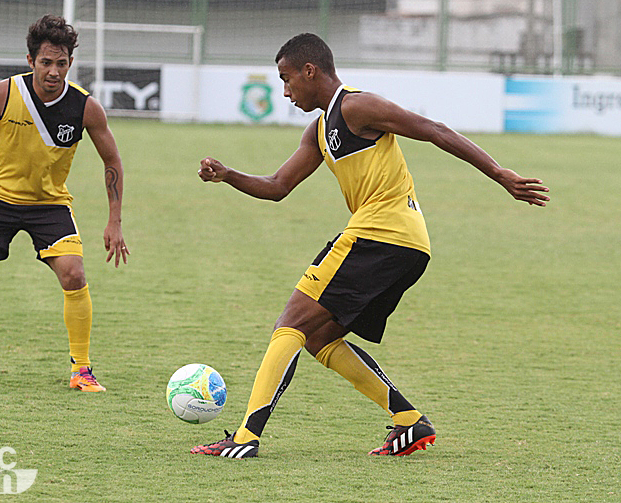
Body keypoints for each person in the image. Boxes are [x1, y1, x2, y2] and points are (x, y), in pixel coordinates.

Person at [192, 33, 550, 458]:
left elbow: (433, 130)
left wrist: (499, 173)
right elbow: (277, 186)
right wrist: (228, 175)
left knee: (290, 324)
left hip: (380, 235)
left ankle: (245, 438)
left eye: (287, 79)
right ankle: (409, 421)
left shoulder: (356, 106)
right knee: (318, 338)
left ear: (310, 71)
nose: (285, 91)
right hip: (407, 245)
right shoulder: (319, 130)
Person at [0, 14, 129, 391]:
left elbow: (112, 160)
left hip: (50, 204)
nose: (54, 71)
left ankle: (81, 370)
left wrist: (114, 221)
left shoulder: (85, 107)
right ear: (30, 60)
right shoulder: (3, 93)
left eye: (62, 63)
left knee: (74, 274)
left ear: (70, 62)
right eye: (46, 62)